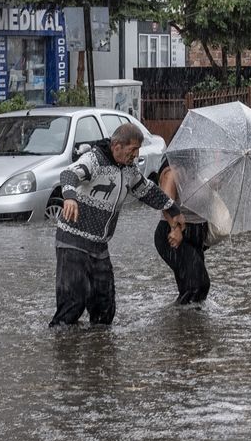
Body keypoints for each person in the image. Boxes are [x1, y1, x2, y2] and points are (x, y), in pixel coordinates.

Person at [51, 123, 185, 326]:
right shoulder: (93, 160)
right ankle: (64, 349)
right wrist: (69, 196)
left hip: (99, 247)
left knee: (105, 309)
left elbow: (148, 191)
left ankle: (100, 353)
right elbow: (68, 174)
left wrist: (174, 210)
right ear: (116, 146)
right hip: (73, 242)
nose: (135, 155)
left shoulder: (128, 170)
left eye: (138, 150)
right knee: (72, 305)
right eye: (132, 150)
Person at [154, 159, 212, 304]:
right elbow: (165, 202)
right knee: (198, 284)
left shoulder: (198, 173)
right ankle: (183, 321)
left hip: (196, 238)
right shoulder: (172, 173)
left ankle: (184, 323)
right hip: (174, 235)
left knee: (190, 287)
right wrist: (174, 228)